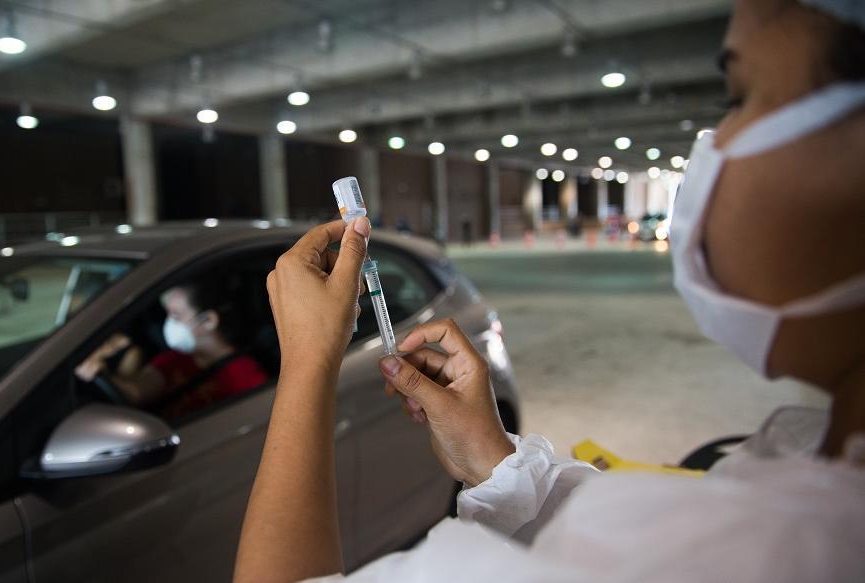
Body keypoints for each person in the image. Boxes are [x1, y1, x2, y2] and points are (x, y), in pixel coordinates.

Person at [233, 0, 865, 581]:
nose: (712, 146)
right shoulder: (813, 484)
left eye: (742, 97)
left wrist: (308, 365)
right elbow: (615, 533)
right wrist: (494, 459)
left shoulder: (779, 549)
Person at [76, 279, 268, 416]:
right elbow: (138, 392)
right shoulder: (174, 358)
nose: (169, 325)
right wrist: (102, 374)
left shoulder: (247, 377)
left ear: (208, 320)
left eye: (176, 317)